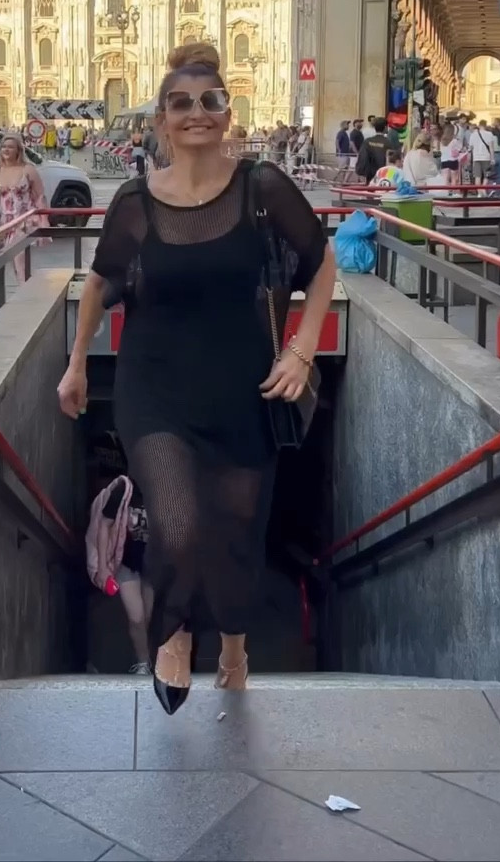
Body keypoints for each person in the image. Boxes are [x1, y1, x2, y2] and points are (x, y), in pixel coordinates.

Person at [58, 43, 336, 714]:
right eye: (180, 104)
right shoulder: (134, 202)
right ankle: (174, 636)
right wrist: (74, 364)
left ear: (228, 114)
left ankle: (235, 647)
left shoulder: (262, 188)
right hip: (155, 390)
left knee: (237, 531)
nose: (196, 114)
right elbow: (99, 282)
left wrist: (301, 351)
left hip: (244, 388)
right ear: (159, 120)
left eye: (209, 101)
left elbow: (323, 263)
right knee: (179, 526)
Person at [86, 474, 152, 675]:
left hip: (153, 565)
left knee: (148, 618)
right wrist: (104, 568)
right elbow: (105, 524)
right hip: (126, 561)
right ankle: (143, 664)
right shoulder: (126, 490)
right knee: (137, 618)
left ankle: (144, 655)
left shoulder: (167, 492)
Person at [0, 131, 51, 283]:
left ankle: (24, 291)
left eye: (10, 147)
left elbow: (40, 196)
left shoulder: (28, 169)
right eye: (3, 147)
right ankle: (25, 286)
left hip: (25, 219)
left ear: (18, 150)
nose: (6, 150)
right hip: (6, 221)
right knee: (14, 259)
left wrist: (44, 220)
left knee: (19, 259)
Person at [356, 118, 393, 184]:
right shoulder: (388, 143)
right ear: (385, 127)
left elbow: (362, 157)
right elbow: (392, 161)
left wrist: (361, 171)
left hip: (370, 174)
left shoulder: (367, 141)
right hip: (383, 175)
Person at [468, 120, 497, 186]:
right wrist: (492, 159)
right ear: (485, 125)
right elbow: (491, 148)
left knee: (477, 176)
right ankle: (483, 188)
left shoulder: (473, 135)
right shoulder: (489, 134)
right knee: (487, 176)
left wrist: (469, 160)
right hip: (486, 158)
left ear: (479, 125)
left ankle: (480, 192)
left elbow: (470, 149)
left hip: (476, 158)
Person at [439, 122, 462, 188]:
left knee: (445, 178)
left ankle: (445, 192)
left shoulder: (441, 140)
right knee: (454, 179)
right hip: (453, 160)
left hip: (443, 160)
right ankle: (453, 192)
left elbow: (437, 152)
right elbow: (459, 149)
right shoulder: (455, 140)